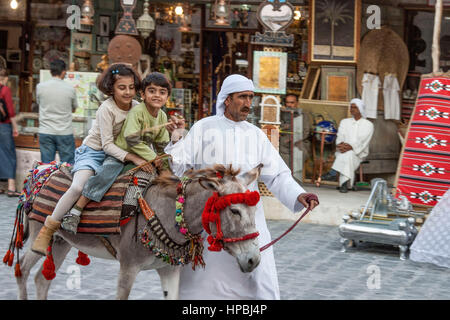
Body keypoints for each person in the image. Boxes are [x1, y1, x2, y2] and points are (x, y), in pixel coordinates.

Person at [165, 74, 319, 300]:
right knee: (205, 283)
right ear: (227, 100)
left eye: (251, 97)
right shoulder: (204, 128)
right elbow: (179, 167)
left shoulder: (255, 134)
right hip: (212, 219)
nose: (248, 103)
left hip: (249, 218)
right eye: (242, 97)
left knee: (261, 278)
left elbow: (277, 174)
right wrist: (177, 141)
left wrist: (299, 194)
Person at [31, 64, 147, 255]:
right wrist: (134, 157)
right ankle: (49, 228)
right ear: (111, 88)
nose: (128, 92)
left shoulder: (137, 107)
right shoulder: (106, 109)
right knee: (78, 186)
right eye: (122, 87)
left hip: (119, 154)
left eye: (131, 87)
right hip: (94, 152)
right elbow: (107, 145)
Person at [60, 72, 176, 234]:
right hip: (121, 152)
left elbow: (160, 142)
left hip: (142, 154)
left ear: (167, 97)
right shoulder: (137, 111)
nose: (157, 95)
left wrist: (164, 162)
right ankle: (77, 210)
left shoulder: (162, 115)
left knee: (167, 177)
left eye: (162, 92)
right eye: (152, 91)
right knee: (106, 172)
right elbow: (131, 139)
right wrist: (153, 157)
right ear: (142, 94)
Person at [322, 98, 374, 193]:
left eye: (355, 107)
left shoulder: (368, 124)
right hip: (342, 151)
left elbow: (362, 141)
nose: (352, 109)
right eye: (351, 107)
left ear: (361, 109)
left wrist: (350, 147)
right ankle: (345, 185)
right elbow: (340, 136)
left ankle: (334, 173)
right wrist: (341, 145)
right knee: (348, 155)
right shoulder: (344, 121)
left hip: (359, 152)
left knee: (349, 154)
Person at [36, 59, 77, 165]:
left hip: (45, 131)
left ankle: (47, 182)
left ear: (51, 72)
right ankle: (67, 182)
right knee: (68, 166)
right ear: (63, 72)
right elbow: (74, 108)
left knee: (46, 166)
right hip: (64, 132)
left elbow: (39, 103)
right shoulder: (70, 89)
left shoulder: (40, 87)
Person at [0, 68, 20, 197]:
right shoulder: (5, 90)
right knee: (9, 154)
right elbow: (11, 112)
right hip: (4, 126)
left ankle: (1, 187)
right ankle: (11, 187)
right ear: (6, 78)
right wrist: (15, 127)